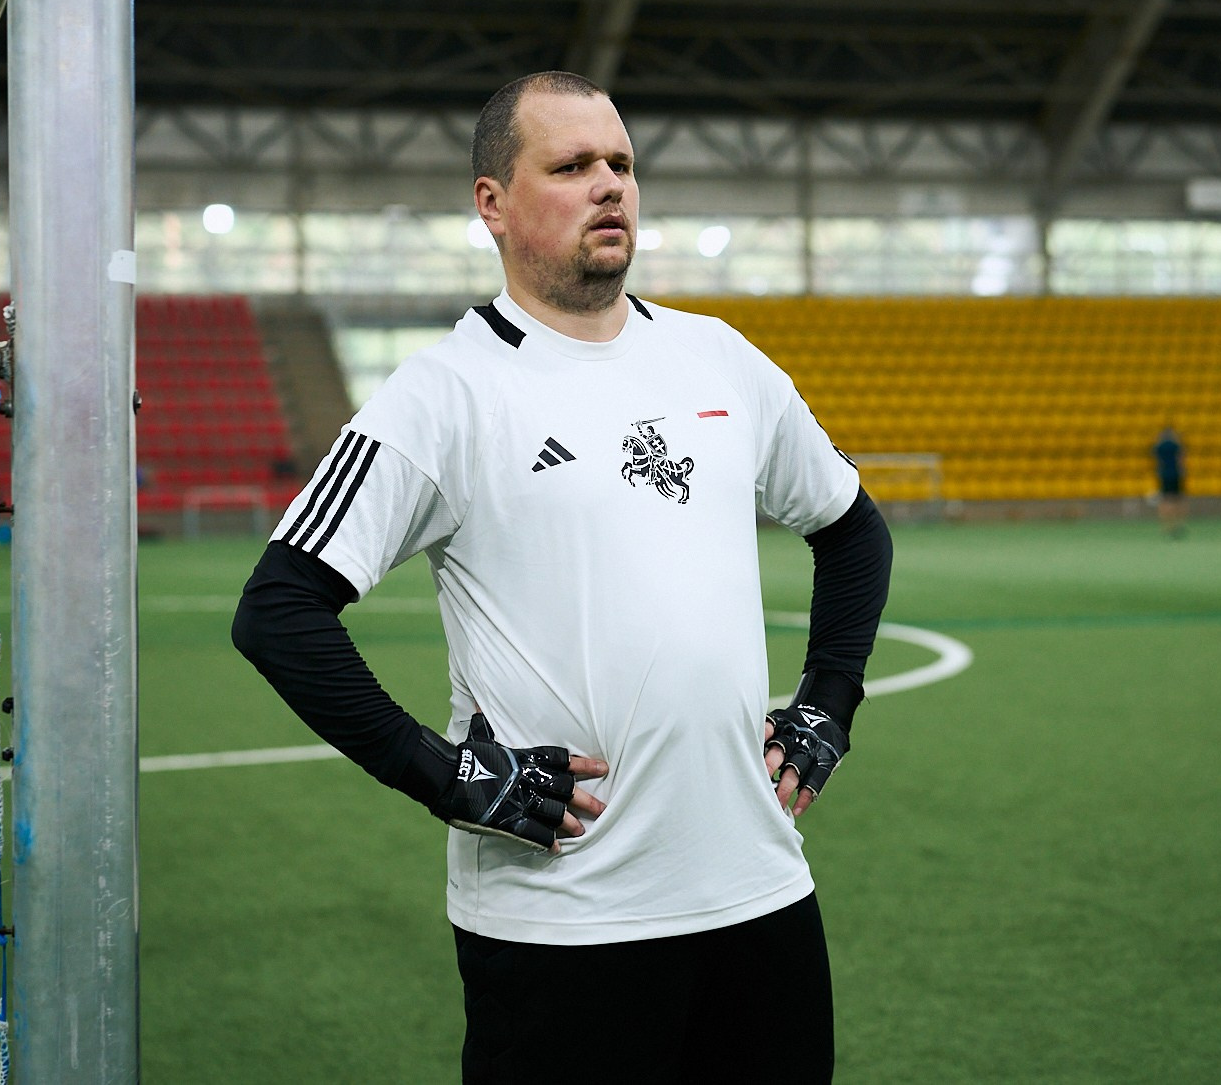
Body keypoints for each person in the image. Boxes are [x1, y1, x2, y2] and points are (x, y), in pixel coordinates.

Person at [231, 71, 892, 1084]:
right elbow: (279, 610)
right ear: (492, 203)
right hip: (560, 921)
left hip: (758, 895)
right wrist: (442, 774)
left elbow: (851, 530)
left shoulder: (718, 359)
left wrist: (827, 702)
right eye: (572, 165)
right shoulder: (443, 392)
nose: (608, 185)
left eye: (620, 164)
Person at [1153, 425, 1186, 538]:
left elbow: (1156, 459)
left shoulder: (1159, 446)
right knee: (1177, 500)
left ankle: (1166, 526)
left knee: (1165, 500)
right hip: (1175, 474)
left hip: (1164, 474)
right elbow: (1181, 458)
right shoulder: (1176, 445)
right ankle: (1178, 524)